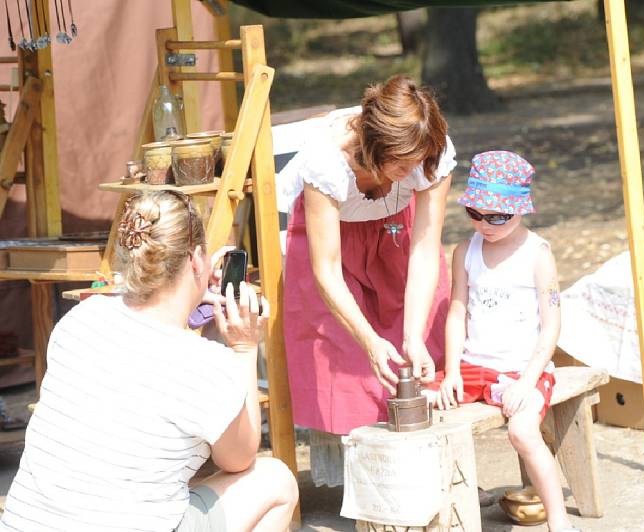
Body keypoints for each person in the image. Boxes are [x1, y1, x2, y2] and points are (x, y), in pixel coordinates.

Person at [0, 191, 298, 532]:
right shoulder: (203, 363)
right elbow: (239, 457)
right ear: (197, 261)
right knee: (276, 481)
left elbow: (142, 323)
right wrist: (244, 348)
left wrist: (193, 292)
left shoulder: (79, 318)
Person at [278, 75, 456, 441]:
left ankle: (429, 475)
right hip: (333, 250)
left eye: (418, 163)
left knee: (422, 356)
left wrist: (413, 335)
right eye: (402, 165)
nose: (413, 173)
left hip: (395, 239)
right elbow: (325, 269)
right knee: (356, 370)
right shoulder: (327, 161)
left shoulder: (429, 150)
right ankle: (370, 484)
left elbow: (425, 249)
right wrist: (370, 341)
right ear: (373, 148)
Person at [428, 151, 579, 532]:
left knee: (522, 431)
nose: (485, 224)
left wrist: (528, 380)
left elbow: (551, 322)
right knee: (418, 408)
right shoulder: (466, 251)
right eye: (475, 214)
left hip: (522, 368)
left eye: (497, 216)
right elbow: (457, 312)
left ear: (520, 209)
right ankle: (450, 496)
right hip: (473, 365)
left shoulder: (537, 254)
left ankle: (558, 520)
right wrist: (449, 373)